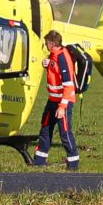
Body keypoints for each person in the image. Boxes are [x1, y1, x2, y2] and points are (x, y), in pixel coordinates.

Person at [33, 30, 80, 170]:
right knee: (45, 127)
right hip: (53, 99)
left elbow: (68, 84)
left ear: (52, 44)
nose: (45, 46)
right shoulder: (54, 55)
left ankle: (73, 163)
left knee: (64, 131)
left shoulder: (62, 57)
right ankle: (40, 160)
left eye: (46, 43)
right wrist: (48, 63)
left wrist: (62, 106)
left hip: (62, 101)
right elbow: (55, 71)